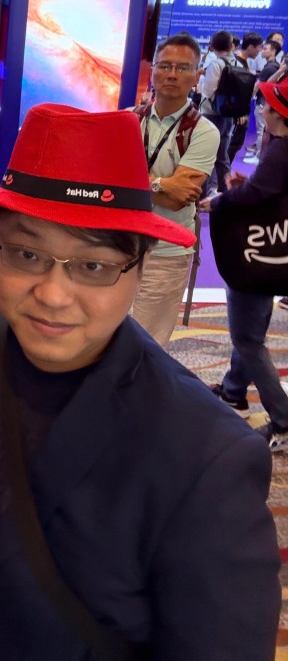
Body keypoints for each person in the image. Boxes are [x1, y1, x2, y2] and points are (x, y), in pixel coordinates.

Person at [0, 102, 280, 661]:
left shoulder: (208, 458)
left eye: (94, 266)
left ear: (139, 266)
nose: (53, 295)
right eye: (26, 253)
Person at [203, 81, 288, 448]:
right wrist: (247, 186)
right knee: (250, 329)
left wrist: (219, 201)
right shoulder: (280, 147)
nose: (262, 112)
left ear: (280, 113)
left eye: (268, 107)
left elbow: (259, 194)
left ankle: (283, 420)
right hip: (273, 255)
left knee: (248, 339)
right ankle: (234, 390)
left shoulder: (281, 149)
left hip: (256, 254)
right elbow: (268, 190)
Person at [130, 34, 218, 346]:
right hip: (119, 243)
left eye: (182, 68)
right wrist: (161, 184)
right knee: (105, 333)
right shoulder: (128, 119)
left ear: (197, 76)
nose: (171, 74)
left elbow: (178, 199)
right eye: (165, 66)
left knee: (147, 342)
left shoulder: (204, 132)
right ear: (152, 70)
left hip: (165, 251)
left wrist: (132, 182)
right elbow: (105, 183)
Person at [198, 29, 238, 195]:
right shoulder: (237, 63)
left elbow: (208, 91)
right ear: (230, 45)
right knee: (222, 156)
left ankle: (204, 193)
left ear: (213, 46)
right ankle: (227, 192)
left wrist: (200, 81)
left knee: (205, 154)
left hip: (211, 113)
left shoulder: (216, 64)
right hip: (228, 113)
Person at [244, 37, 282, 164]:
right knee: (261, 130)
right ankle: (257, 152)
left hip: (263, 102)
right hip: (265, 102)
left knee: (261, 130)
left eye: (265, 48)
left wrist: (248, 97)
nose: (262, 50)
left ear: (273, 51)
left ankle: (258, 156)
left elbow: (258, 85)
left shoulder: (270, 67)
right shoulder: (272, 66)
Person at [227, 31, 263, 164]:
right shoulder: (235, 63)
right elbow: (232, 90)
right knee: (231, 145)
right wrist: (239, 112)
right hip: (236, 113)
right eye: (258, 47)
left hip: (242, 110)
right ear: (251, 47)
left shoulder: (245, 63)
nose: (259, 51)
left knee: (236, 144)